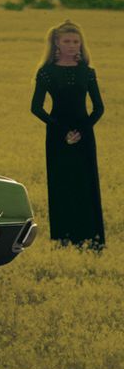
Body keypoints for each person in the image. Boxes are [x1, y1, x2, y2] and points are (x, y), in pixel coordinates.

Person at [30, 20, 105, 248]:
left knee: (86, 183)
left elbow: (99, 108)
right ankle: (63, 239)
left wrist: (81, 131)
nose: (72, 45)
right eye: (67, 41)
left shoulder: (87, 73)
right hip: (56, 134)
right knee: (61, 184)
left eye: (76, 41)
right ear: (56, 43)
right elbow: (36, 108)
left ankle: (92, 240)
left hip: (84, 135)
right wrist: (62, 131)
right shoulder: (46, 73)